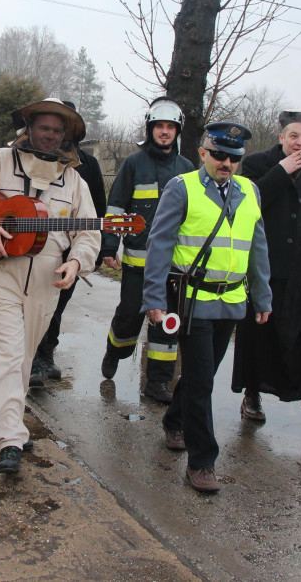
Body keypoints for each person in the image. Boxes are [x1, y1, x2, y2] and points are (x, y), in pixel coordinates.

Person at [0, 98, 100, 475]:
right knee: (8, 357)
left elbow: (88, 232)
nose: (50, 135)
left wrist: (77, 262)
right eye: (44, 127)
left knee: (25, 358)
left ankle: (9, 423)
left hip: (47, 282)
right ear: (29, 127)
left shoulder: (74, 180)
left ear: (67, 136)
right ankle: (10, 439)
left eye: (57, 130)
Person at [142, 123, 272, 493]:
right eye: (219, 155)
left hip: (231, 301)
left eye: (234, 157)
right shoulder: (181, 188)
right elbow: (160, 243)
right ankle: (202, 462)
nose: (226, 163)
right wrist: (153, 297)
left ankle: (174, 420)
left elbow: (258, 247)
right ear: (203, 153)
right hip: (192, 301)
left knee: (203, 376)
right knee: (201, 381)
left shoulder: (250, 191)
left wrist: (262, 297)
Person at [232, 110, 301, 436]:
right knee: (258, 339)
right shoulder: (256, 166)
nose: (300, 143)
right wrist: (281, 173)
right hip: (264, 273)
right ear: (281, 137)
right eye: (294, 136)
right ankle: (252, 396)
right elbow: (248, 205)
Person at [99, 97, 196, 403]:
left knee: (167, 322)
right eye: (160, 127)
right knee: (129, 315)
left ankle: (158, 382)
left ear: (177, 131)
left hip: (174, 267)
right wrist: (109, 247)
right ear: (150, 129)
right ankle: (116, 348)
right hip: (137, 263)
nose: (165, 132)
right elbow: (115, 208)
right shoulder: (133, 164)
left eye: (170, 127)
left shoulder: (186, 168)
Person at [29, 100, 108, 389]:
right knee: (34, 305)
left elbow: (98, 209)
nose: (55, 133)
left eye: (63, 127)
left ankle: (47, 354)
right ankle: (33, 358)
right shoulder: (26, 157)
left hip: (70, 249)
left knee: (57, 306)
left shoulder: (88, 165)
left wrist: (94, 253)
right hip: (33, 245)